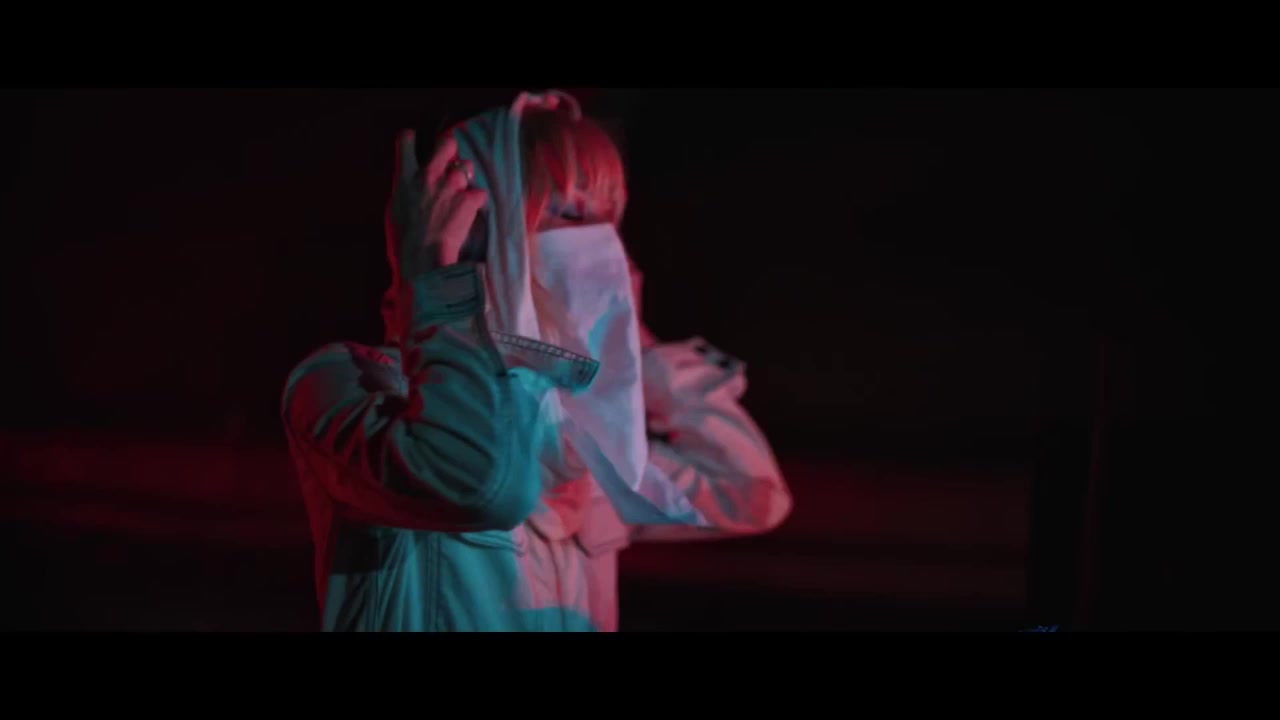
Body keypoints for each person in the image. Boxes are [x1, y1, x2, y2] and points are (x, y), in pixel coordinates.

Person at [281, 90, 790, 631]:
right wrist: (435, 282)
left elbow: (750, 493)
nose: (603, 251)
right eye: (568, 214)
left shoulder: (587, 441)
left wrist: (632, 347)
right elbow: (475, 484)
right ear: (481, 229)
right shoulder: (351, 383)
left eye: (607, 224)